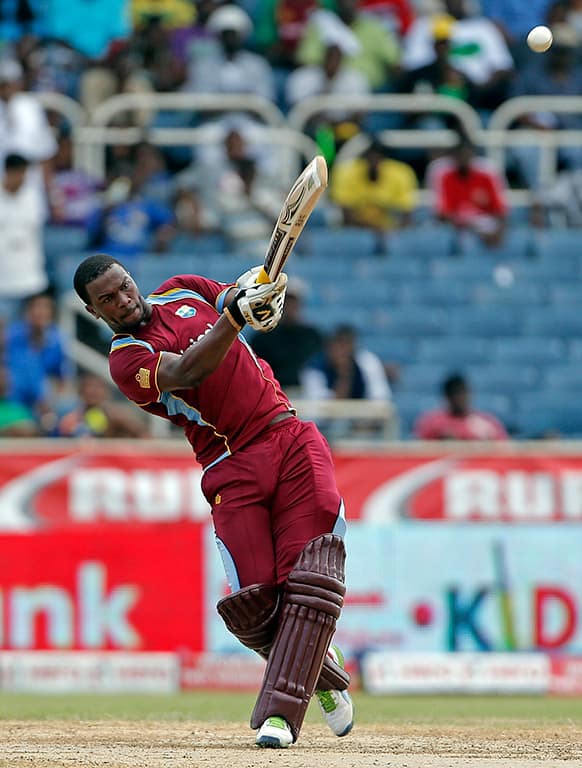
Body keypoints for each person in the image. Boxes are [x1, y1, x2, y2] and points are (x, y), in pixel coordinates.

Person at [72, 253, 353, 749]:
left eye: (124, 286)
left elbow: (246, 298)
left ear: (133, 279)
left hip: (288, 436)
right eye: (107, 300)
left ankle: (280, 717)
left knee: (310, 576)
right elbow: (189, 369)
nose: (122, 300)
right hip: (230, 466)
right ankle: (319, 667)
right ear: (95, 313)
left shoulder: (183, 288)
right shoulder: (125, 359)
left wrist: (264, 299)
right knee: (255, 606)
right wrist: (236, 316)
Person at [427, 133, 508, 249]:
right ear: (454, 156)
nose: (464, 159)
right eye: (460, 155)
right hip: (454, 227)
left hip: (485, 225)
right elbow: (442, 214)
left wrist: (500, 233)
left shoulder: (488, 172)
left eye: (467, 155)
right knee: (461, 240)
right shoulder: (442, 173)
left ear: (473, 155)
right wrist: (473, 228)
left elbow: (501, 211)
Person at [250, 277, 323, 396]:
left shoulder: (313, 336)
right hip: (273, 392)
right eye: (285, 300)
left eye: (293, 301)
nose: (289, 306)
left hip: (308, 393)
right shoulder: (263, 336)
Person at [329, 138, 418, 231]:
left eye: (377, 157)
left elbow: (406, 215)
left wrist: (391, 233)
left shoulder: (401, 174)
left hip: (391, 232)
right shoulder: (346, 173)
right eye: (370, 157)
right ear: (364, 158)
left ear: (383, 158)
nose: (373, 162)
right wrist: (375, 228)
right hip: (358, 231)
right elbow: (346, 217)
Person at [0, 153, 48, 321]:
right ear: (7, 172)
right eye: (18, 173)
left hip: (31, 279)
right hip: (3, 283)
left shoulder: (33, 197)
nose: (21, 178)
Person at [414, 373, 508, 440]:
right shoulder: (432, 423)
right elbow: (418, 450)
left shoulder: (487, 422)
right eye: (456, 394)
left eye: (464, 393)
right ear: (447, 397)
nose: (461, 398)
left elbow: (505, 448)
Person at [55, 371, 150, 438]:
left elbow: (143, 435)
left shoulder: (118, 416)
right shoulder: (70, 421)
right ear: (80, 392)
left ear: (106, 392)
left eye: (97, 388)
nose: (93, 391)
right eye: (89, 387)